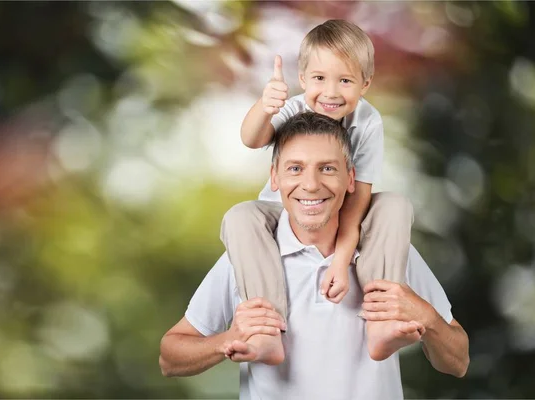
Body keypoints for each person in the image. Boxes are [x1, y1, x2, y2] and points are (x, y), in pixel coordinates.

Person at [159, 112, 469, 399]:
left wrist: (427, 318)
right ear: (275, 178)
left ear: (350, 179)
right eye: (295, 168)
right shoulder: (245, 255)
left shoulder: (390, 250)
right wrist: (228, 339)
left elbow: (459, 361)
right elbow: (169, 356)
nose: (310, 184)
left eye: (327, 169)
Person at [221, 19, 413, 362]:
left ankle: (382, 322)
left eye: (345, 80)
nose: (331, 92)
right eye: (320, 79)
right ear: (304, 79)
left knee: (394, 205)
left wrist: (341, 260)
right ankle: (266, 332)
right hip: (288, 211)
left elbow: (359, 200)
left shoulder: (367, 122)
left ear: (365, 84)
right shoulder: (294, 107)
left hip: (339, 212)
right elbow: (252, 139)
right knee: (241, 216)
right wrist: (266, 107)